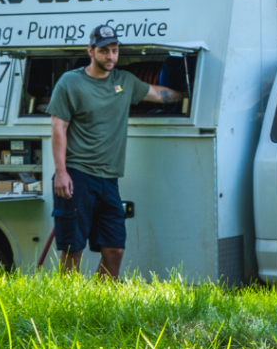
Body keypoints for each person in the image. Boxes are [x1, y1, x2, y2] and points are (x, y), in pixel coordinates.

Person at [49, 25, 184, 279]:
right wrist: (61, 172)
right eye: (104, 51)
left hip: (109, 179)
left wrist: (187, 96)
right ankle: (68, 299)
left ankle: (101, 297)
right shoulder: (70, 82)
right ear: (91, 51)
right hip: (77, 175)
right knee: (73, 249)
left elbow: (158, 94)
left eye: (114, 50)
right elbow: (58, 128)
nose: (110, 56)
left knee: (115, 248)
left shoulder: (124, 81)